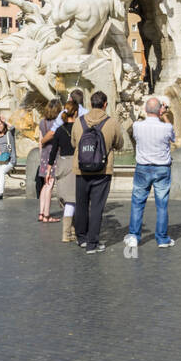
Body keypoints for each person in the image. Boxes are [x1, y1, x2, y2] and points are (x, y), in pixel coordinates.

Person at [71, 89, 124, 253]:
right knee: (96, 208)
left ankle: (82, 239)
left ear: (90, 104)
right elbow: (120, 144)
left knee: (81, 205)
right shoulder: (112, 122)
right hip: (102, 170)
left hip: (81, 169)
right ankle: (93, 243)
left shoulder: (78, 121)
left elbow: (74, 143)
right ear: (105, 104)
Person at [124, 97, 176, 256]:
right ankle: (162, 239)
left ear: (146, 110)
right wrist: (165, 114)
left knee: (138, 202)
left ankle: (134, 236)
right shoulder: (166, 127)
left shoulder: (137, 126)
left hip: (143, 168)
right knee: (162, 204)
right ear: (160, 110)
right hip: (161, 169)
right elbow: (174, 137)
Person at [49, 99, 79, 241]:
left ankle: (71, 231)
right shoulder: (80, 128)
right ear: (77, 112)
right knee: (73, 200)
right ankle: (67, 233)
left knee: (68, 199)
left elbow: (53, 151)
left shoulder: (59, 130)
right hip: (75, 164)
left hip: (62, 164)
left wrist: (49, 169)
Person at [37, 99, 62, 221]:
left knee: (45, 184)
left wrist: (41, 156)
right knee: (50, 184)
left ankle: (41, 213)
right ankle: (47, 215)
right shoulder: (57, 123)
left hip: (44, 155)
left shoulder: (42, 122)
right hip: (54, 155)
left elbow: (40, 141)